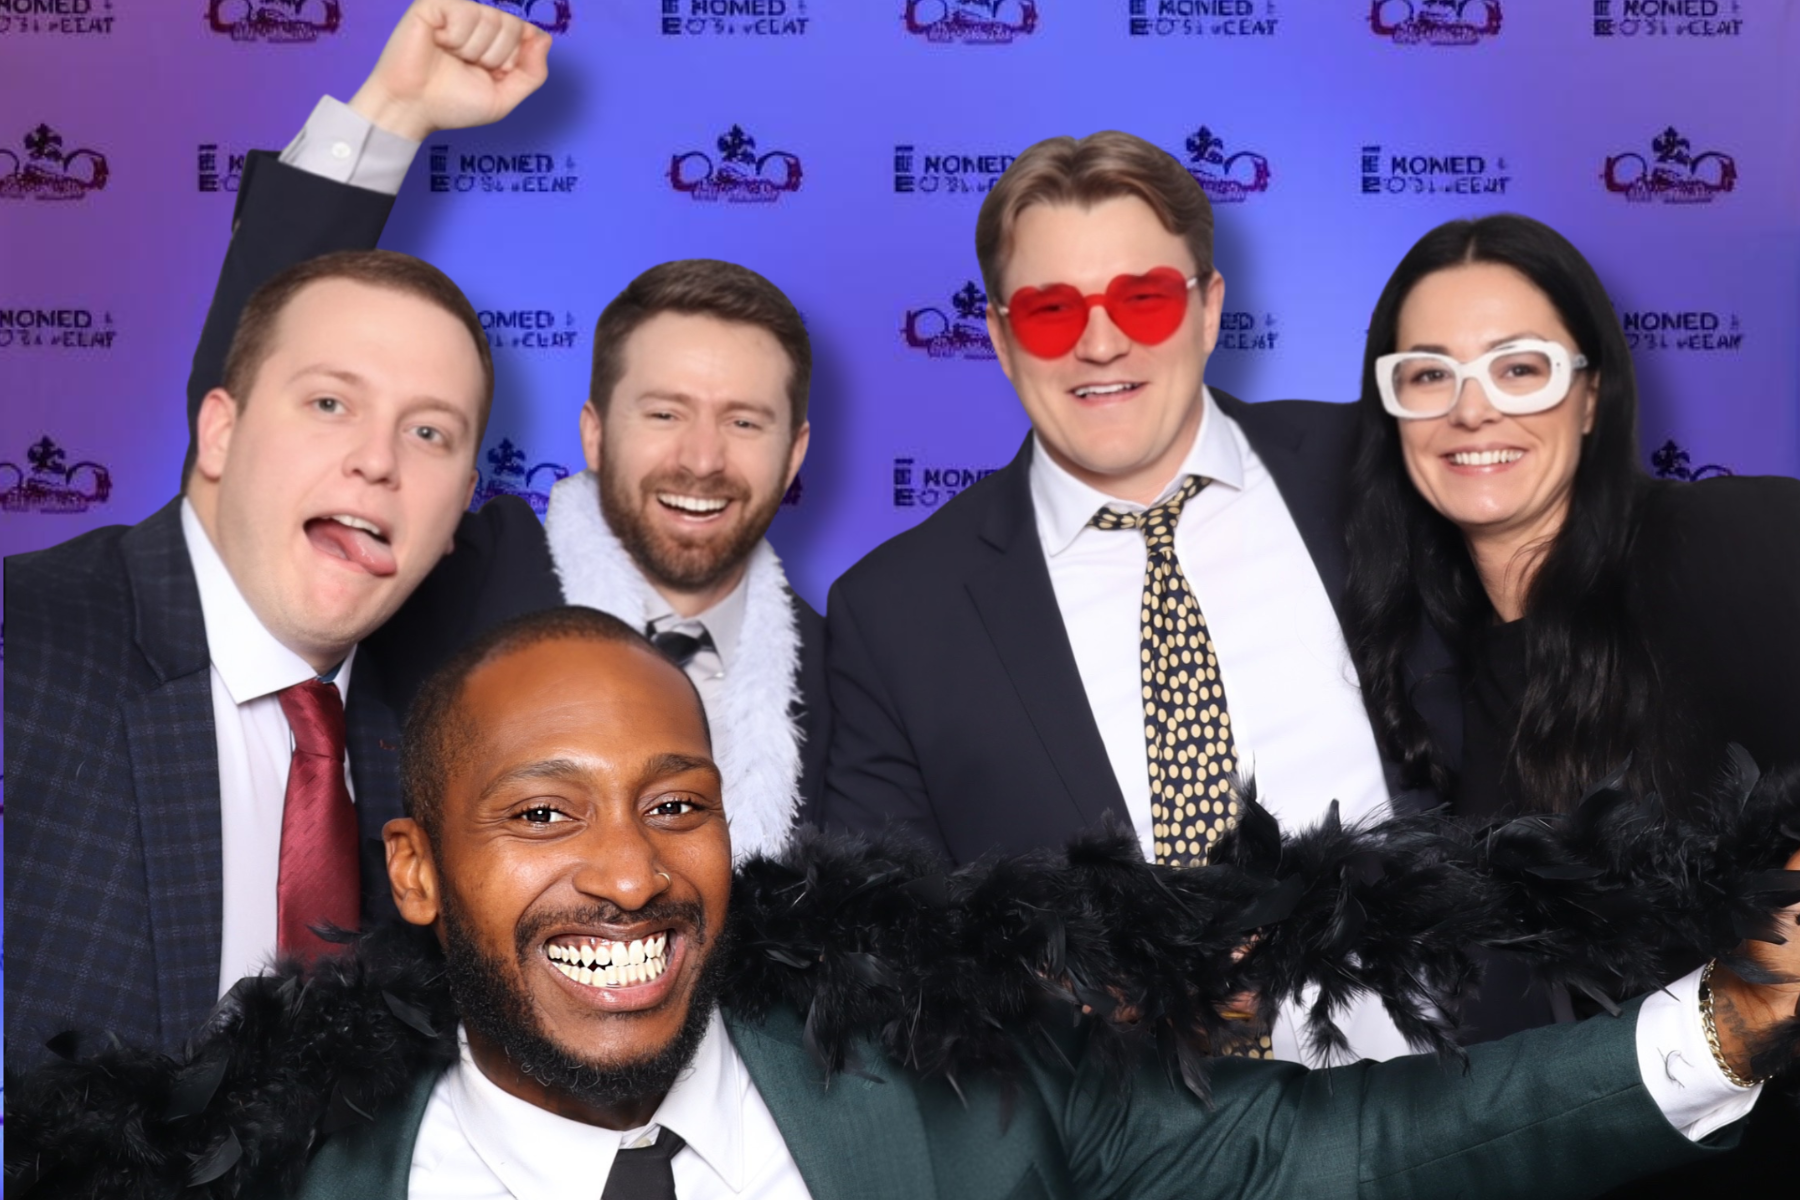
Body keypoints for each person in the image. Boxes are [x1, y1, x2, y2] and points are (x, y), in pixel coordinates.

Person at [11, 604, 1796, 1199]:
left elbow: (1350, 1154)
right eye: (540, 814)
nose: (626, 871)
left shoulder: (958, 1082)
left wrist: (1716, 1027)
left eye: (675, 805)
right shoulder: (285, 1177)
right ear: (415, 872)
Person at [820, 130, 1458, 1061]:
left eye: (1144, 300)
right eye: (1048, 311)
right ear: (999, 338)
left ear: (1208, 310)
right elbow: (884, 952)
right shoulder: (896, 614)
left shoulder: (1383, 473)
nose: (1101, 341)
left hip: (1448, 1116)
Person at [183, 0, 828, 853]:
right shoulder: (460, 582)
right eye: (663, 412)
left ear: (796, 454)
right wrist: (394, 112)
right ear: (593, 433)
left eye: (744, 421)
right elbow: (252, 397)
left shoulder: (847, 673)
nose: (700, 458)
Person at [3, 248, 560, 1063]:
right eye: (331, 402)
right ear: (220, 433)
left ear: (456, 520)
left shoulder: (441, 733)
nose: (378, 460)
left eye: (429, 432)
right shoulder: (28, 641)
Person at [1337, 213, 1800, 1188]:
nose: (1472, 410)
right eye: (1428, 375)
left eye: (1520, 368)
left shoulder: (1721, 548)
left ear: (1591, 397)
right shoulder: (1416, 659)